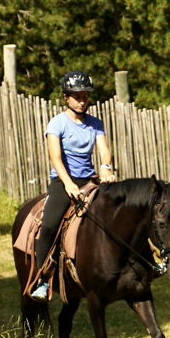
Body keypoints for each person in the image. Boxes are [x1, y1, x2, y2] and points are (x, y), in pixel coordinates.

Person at [27, 71, 118, 302]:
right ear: (66, 97)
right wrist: (67, 183)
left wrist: (106, 166)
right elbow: (55, 158)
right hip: (63, 181)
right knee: (48, 225)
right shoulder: (57, 123)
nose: (82, 100)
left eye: (85, 96)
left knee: (119, 210)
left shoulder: (95, 123)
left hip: (89, 180)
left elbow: (104, 148)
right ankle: (42, 280)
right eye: (77, 96)